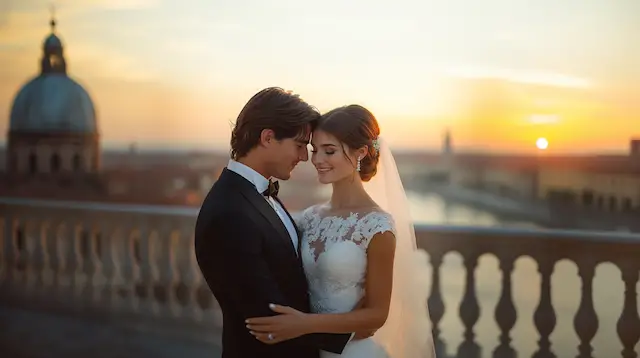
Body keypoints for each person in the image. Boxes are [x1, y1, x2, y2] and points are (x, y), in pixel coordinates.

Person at [245, 105, 436, 358]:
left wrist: (304, 324)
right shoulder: (309, 217)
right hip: (308, 351)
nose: (317, 160)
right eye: (315, 151)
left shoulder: (377, 226)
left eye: (329, 151)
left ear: (361, 153)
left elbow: (377, 314)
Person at [194, 87, 356, 358]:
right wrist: (354, 328)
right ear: (268, 137)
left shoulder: (255, 194)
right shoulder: (230, 213)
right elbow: (270, 319)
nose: (305, 157)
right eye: (299, 145)